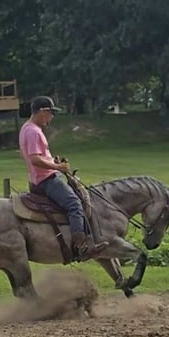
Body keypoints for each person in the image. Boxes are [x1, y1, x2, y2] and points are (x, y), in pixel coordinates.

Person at [19, 95, 107, 260]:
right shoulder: (33, 131)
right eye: (51, 113)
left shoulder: (27, 128)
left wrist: (54, 161)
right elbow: (35, 159)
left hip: (40, 177)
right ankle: (81, 247)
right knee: (75, 204)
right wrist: (57, 167)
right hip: (46, 180)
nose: (52, 117)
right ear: (42, 111)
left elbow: (40, 157)